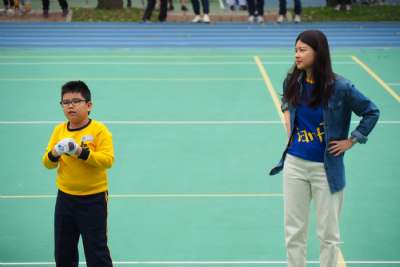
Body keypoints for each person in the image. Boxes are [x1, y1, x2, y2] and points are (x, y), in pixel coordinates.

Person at [269, 30, 379, 267]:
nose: (297, 55)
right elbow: (286, 101)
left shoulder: (341, 87)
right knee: (294, 233)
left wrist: (353, 139)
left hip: (326, 169)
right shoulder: (293, 81)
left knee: (329, 236)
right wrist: (288, 116)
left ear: (318, 53)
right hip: (295, 165)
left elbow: (371, 111)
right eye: (295, 50)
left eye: (302, 50)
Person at [42, 81, 114, 267]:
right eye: (65, 102)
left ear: (88, 105)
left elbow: (107, 160)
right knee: (63, 251)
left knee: (96, 251)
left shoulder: (99, 130)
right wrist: (55, 153)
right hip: (65, 198)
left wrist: (80, 152)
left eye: (76, 101)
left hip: (93, 199)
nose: (70, 106)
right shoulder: (59, 130)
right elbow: (47, 163)